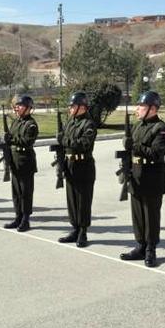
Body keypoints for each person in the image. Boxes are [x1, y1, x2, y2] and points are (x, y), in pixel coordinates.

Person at [119, 91, 165, 268]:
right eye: (139, 106)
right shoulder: (137, 126)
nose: (138, 109)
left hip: (152, 177)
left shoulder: (161, 128)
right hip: (136, 174)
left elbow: (156, 153)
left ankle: (151, 249)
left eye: (141, 106)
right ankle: (140, 245)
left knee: (151, 215)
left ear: (153, 108)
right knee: (138, 215)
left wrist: (134, 146)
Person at [57, 92, 98, 248]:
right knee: (72, 200)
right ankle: (74, 228)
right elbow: (64, 145)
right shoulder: (70, 122)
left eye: (73, 106)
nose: (70, 108)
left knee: (83, 201)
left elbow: (83, 144)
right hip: (70, 165)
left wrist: (64, 140)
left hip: (84, 166)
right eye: (70, 105)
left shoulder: (89, 124)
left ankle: (83, 231)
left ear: (82, 107)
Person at [4, 95, 39, 232]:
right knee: (16, 192)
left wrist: (12, 139)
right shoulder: (16, 122)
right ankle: (18, 216)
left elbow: (27, 140)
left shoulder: (31, 124)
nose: (17, 108)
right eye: (16, 106)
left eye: (20, 106)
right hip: (14, 160)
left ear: (28, 108)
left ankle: (26, 219)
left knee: (25, 192)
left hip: (25, 161)